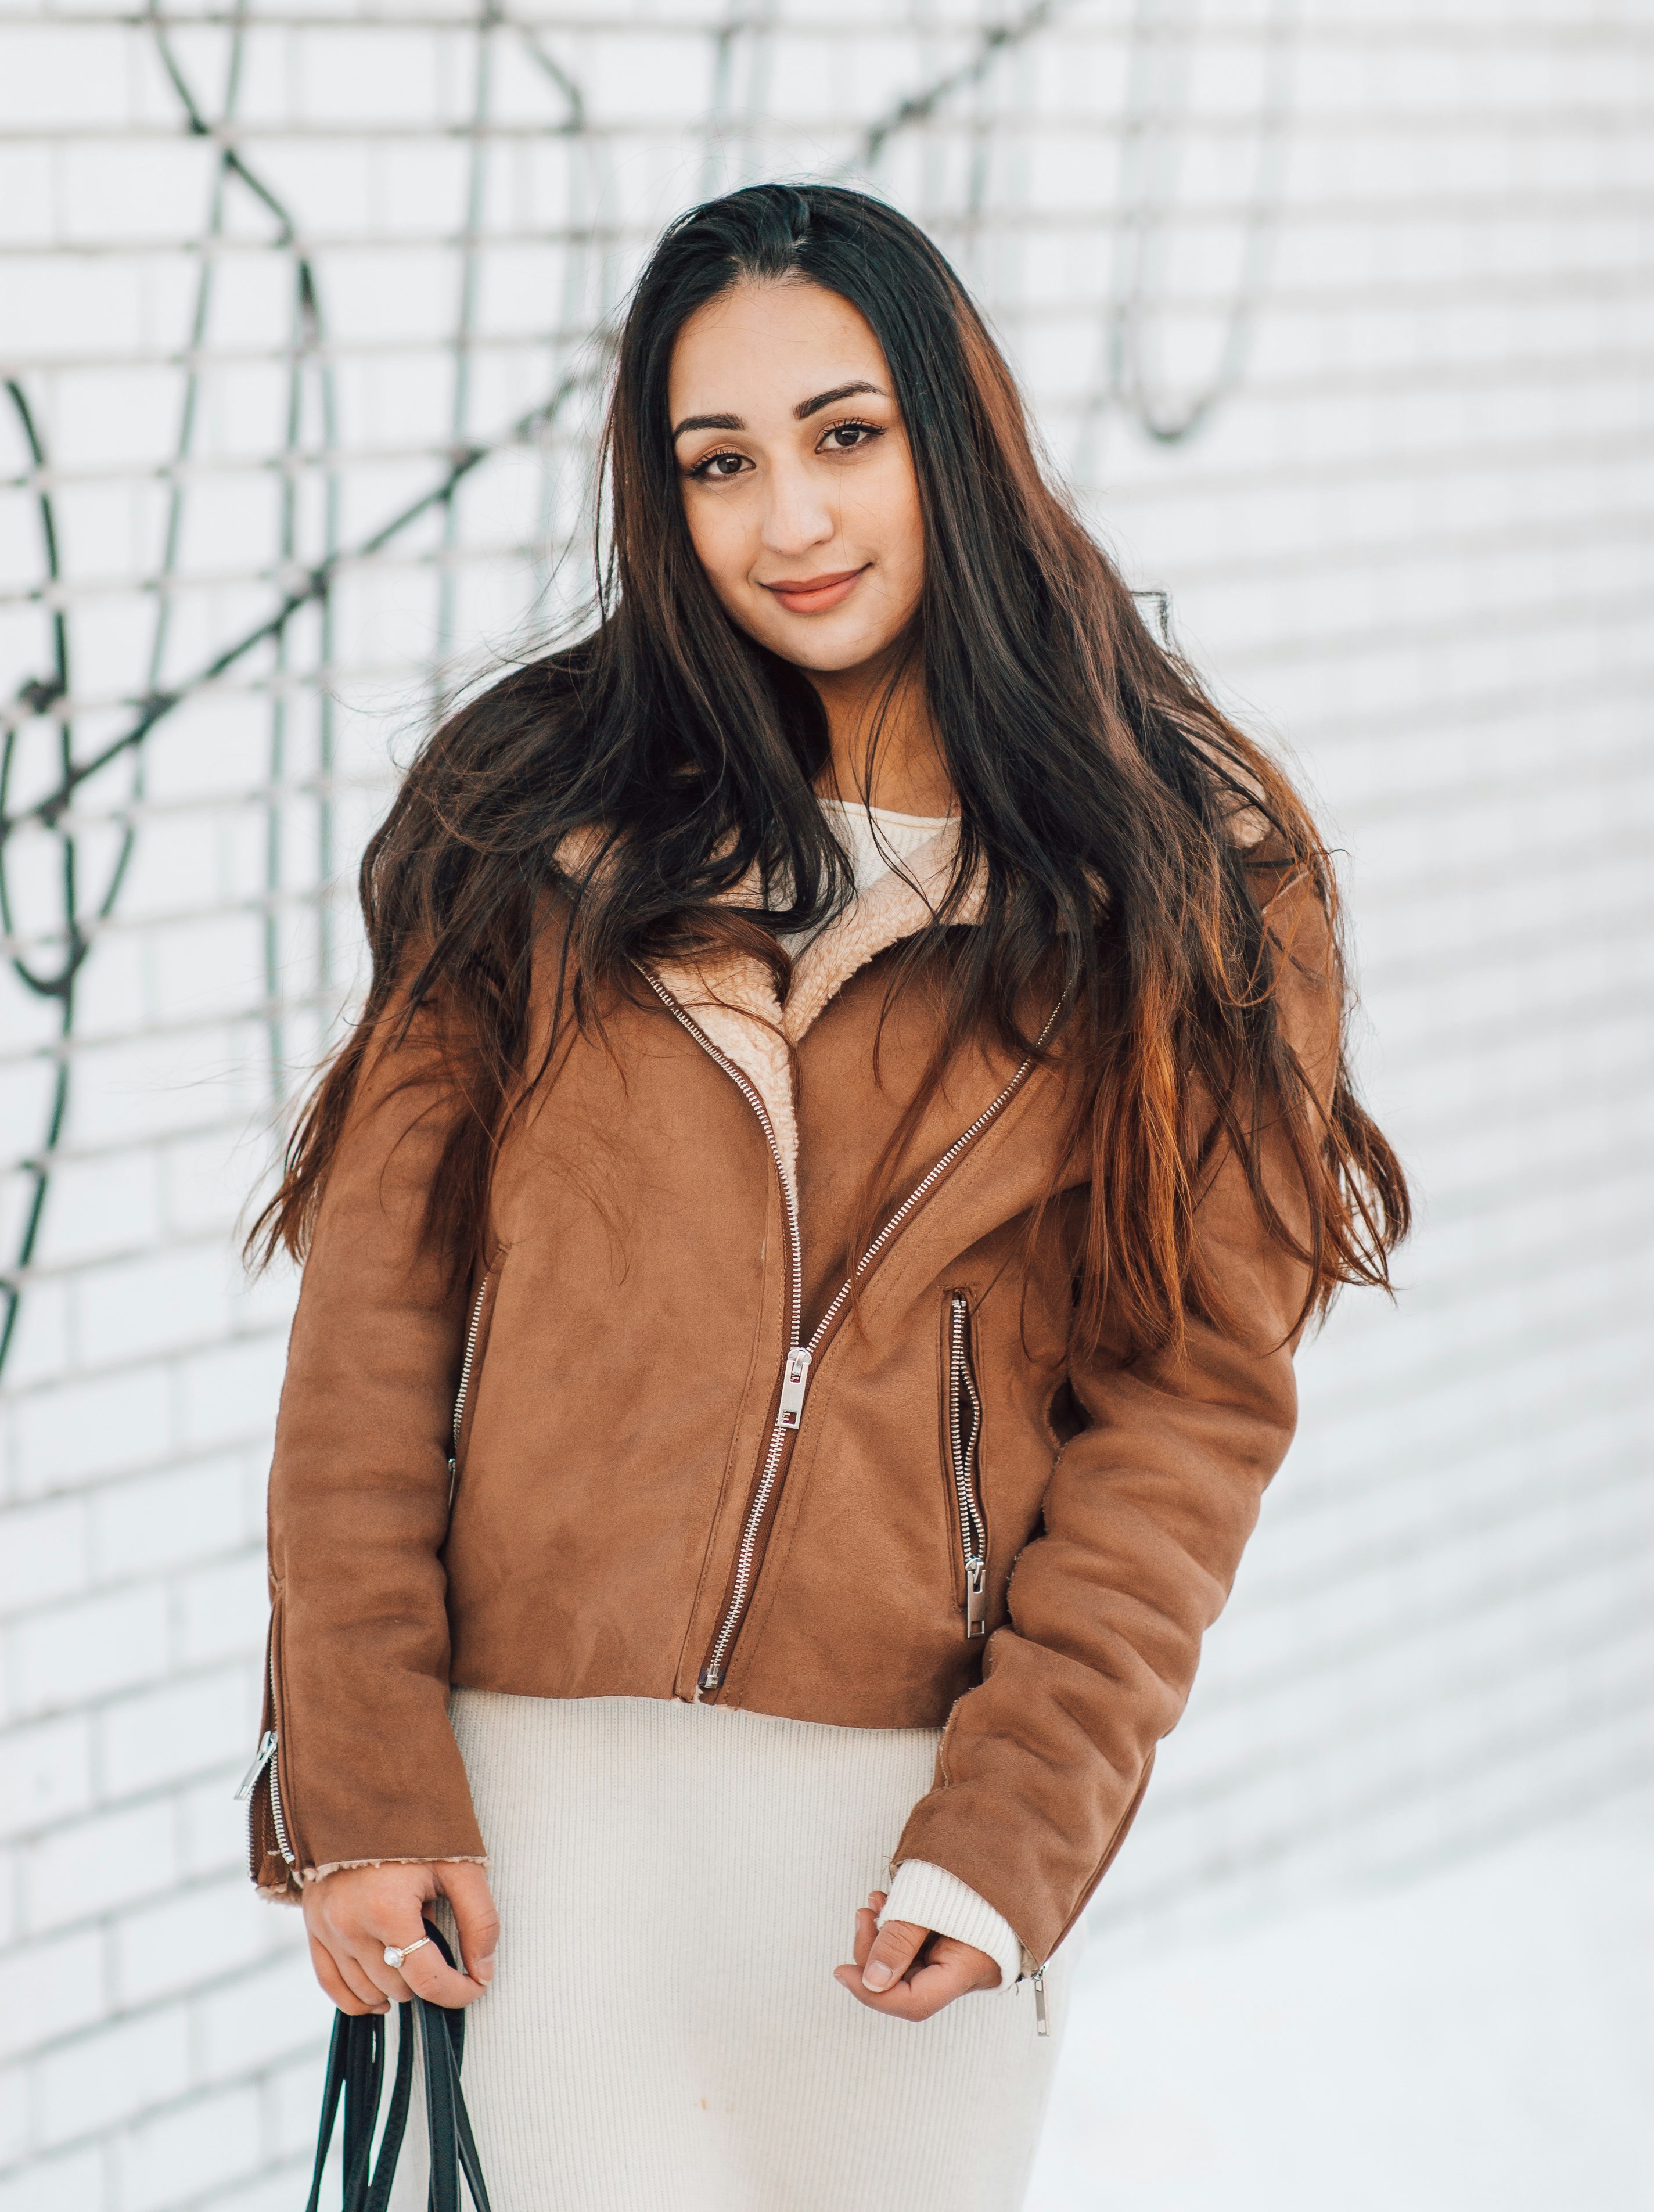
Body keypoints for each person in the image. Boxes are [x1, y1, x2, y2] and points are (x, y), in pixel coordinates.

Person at [247, 182, 1408, 2211]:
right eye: (722, 463)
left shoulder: (1191, 878)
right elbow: (373, 1327)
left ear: (955, 434)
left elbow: (1190, 1412)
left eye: (845, 435)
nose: (791, 519)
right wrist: (358, 1778)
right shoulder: (532, 815)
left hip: (900, 1842)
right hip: (535, 1820)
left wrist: (1017, 1821)